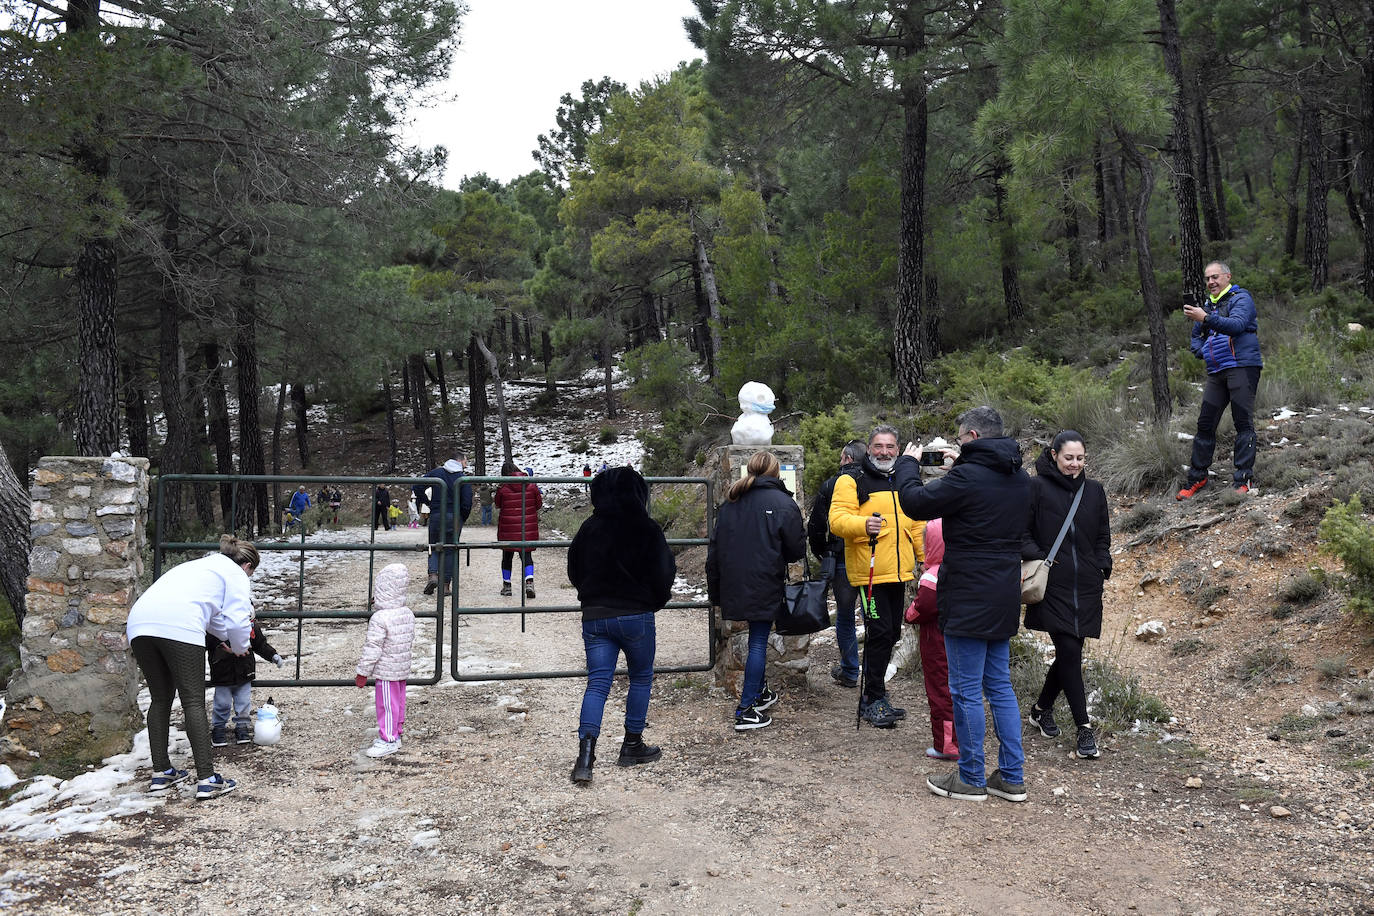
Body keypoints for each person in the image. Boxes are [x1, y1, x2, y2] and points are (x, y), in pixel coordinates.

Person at [894, 406, 1031, 804]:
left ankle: (970, 776)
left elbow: (915, 502)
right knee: (1000, 687)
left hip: (969, 593)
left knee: (966, 689)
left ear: (971, 436)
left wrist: (908, 463)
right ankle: (1011, 776)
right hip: (1003, 591)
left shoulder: (968, 477)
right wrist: (963, 467)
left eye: (960, 440)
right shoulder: (1020, 477)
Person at [566, 467, 676, 784]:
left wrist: (590, 594)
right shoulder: (647, 528)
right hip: (636, 614)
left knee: (597, 683)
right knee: (640, 678)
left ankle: (585, 757)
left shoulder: (589, 528)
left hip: (596, 614)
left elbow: (574, 569)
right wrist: (654, 599)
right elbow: (664, 571)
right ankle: (632, 744)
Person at [126, 534, 255, 800]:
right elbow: (238, 620)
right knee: (193, 701)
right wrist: (241, 646)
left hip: (139, 624)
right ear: (247, 566)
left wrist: (228, 639)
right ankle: (207, 779)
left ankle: (162, 772)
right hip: (179, 626)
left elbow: (216, 622)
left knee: (160, 699)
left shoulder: (199, 566)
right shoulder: (237, 575)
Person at [1022, 430, 1112, 761]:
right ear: (1054, 455)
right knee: (1070, 651)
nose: (1074, 464)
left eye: (1080, 458)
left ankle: (1041, 708)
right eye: (1068, 458)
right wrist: (1042, 557)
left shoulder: (1095, 491)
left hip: (1087, 584)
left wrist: (1102, 563)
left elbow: (1103, 534)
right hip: (1053, 585)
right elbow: (1022, 533)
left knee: (1069, 655)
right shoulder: (1037, 487)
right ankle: (1084, 729)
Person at [829, 425, 925, 728]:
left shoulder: (903, 480)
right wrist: (862, 525)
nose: (884, 452)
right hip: (869, 573)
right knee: (879, 633)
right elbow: (837, 520)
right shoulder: (851, 480)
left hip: (898, 572)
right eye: (878, 446)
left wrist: (925, 559)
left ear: (898, 449)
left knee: (891, 634)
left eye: (890, 447)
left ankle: (878, 694)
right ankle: (871, 699)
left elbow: (916, 525)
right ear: (869, 449)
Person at [706, 451, 806, 732]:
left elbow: (715, 550)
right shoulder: (784, 503)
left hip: (734, 581)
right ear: (776, 473)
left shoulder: (730, 503)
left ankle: (759, 694)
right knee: (759, 642)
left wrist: (715, 590)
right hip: (764, 580)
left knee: (756, 640)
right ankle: (746, 708)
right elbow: (796, 550)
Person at [1179, 261, 1264, 498]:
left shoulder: (1241, 298)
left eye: (1215, 277)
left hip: (1242, 367)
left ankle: (1243, 480)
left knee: (1243, 423)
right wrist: (1202, 350)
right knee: (1205, 424)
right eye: (1207, 279)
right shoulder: (1208, 306)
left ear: (1228, 276)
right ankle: (1197, 478)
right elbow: (1196, 336)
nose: (1211, 282)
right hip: (1217, 370)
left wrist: (1205, 318)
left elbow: (1237, 325)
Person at [806, 439, 867, 689]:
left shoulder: (832, 485)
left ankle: (851, 670)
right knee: (873, 615)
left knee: (845, 616)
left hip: (840, 556)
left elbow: (817, 525)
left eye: (842, 458)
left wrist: (822, 554)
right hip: (871, 556)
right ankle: (874, 672)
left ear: (848, 459)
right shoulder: (877, 482)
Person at [354, 563, 416, 758]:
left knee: (387, 704)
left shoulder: (380, 618)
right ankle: (396, 733)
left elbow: (373, 648)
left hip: (386, 671)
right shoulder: (406, 613)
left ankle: (388, 738)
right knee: (398, 702)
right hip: (401, 668)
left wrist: (363, 672)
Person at [910, 518, 958, 761]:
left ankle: (946, 745)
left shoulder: (932, 577)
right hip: (958, 640)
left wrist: (909, 614)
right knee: (959, 690)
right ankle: (959, 740)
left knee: (940, 691)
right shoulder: (962, 568)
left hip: (936, 644)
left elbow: (922, 608)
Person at [206, 613, 282, 747]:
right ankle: (218, 728)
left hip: (244, 672)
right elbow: (206, 643)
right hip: (222, 672)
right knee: (222, 703)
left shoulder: (250, 626)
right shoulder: (215, 626)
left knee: (243, 703)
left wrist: (272, 655)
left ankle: (242, 726)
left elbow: (259, 644)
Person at [414, 453, 474, 596]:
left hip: (436, 514)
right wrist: (461, 517)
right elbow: (467, 502)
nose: (466, 465)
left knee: (433, 546)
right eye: (465, 462)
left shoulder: (437, 472)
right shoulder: (462, 478)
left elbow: (417, 486)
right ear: (459, 461)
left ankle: (433, 575)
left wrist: (427, 502)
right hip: (454, 517)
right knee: (450, 550)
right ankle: (446, 586)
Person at [495, 459, 542, 598]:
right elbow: (538, 504)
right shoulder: (531, 484)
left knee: (507, 556)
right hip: (526, 526)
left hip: (508, 527)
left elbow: (498, 504)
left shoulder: (503, 488)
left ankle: (507, 586)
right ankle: (529, 582)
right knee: (526, 555)